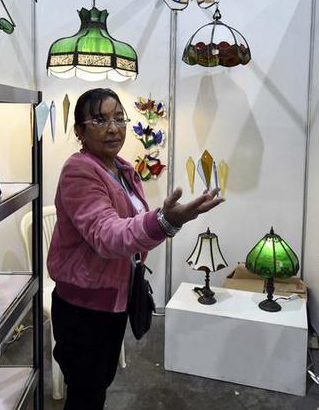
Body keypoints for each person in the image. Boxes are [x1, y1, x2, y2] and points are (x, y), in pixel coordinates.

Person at [47, 88, 224, 410]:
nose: (113, 128)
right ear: (79, 131)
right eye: (100, 120)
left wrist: (166, 222)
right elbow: (107, 235)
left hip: (113, 297)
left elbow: (131, 230)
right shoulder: (79, 171)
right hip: (84, 307)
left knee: (99, 384)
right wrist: (164, 220)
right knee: (86, 393)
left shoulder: (121, 169)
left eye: (119, 119)